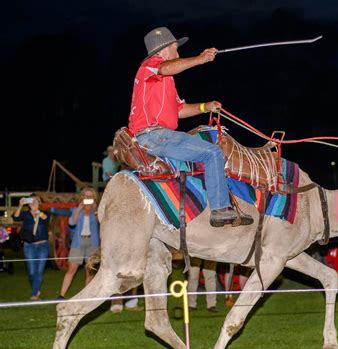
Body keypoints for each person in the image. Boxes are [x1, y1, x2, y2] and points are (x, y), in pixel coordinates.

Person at [128, 27, 253, 228]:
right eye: (175, 49)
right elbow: (167, 67)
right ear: (163, 50)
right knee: (212, 153)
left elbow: (179, 110)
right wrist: (200, 59)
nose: (178, 53)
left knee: (208, 146)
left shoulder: (165, 80)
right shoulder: (149, 66)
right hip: (154, 135)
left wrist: (206, 107)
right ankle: (220, 208)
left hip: (159, 135)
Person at [58, 188, 100, 298]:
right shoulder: (76, 209)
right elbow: (72, 223)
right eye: (86, 196)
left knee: (90, 270)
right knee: (71, 269)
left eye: (90, 196)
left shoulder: (96, 211)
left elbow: (99, 223)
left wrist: (95, 211)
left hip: (92, 242)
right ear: (82, 197)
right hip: (78, 242)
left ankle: (86, 296)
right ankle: (61, 295)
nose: (88, 198)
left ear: (94, 198)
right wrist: (78, 209)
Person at [12, 195, 50, 300]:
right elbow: (15, 217)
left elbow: (45, 219)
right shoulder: (25, 214)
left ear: (39, 203)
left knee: (39, 270)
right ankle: (36, 289)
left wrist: (37, 211)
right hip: (29, 246)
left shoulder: (45, 214)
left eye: (36, 201)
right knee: (31, 272)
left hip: (43, 246)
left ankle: (34, 294)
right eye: (31, 201)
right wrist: (20, 205)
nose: (33, 203)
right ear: (28, 204)